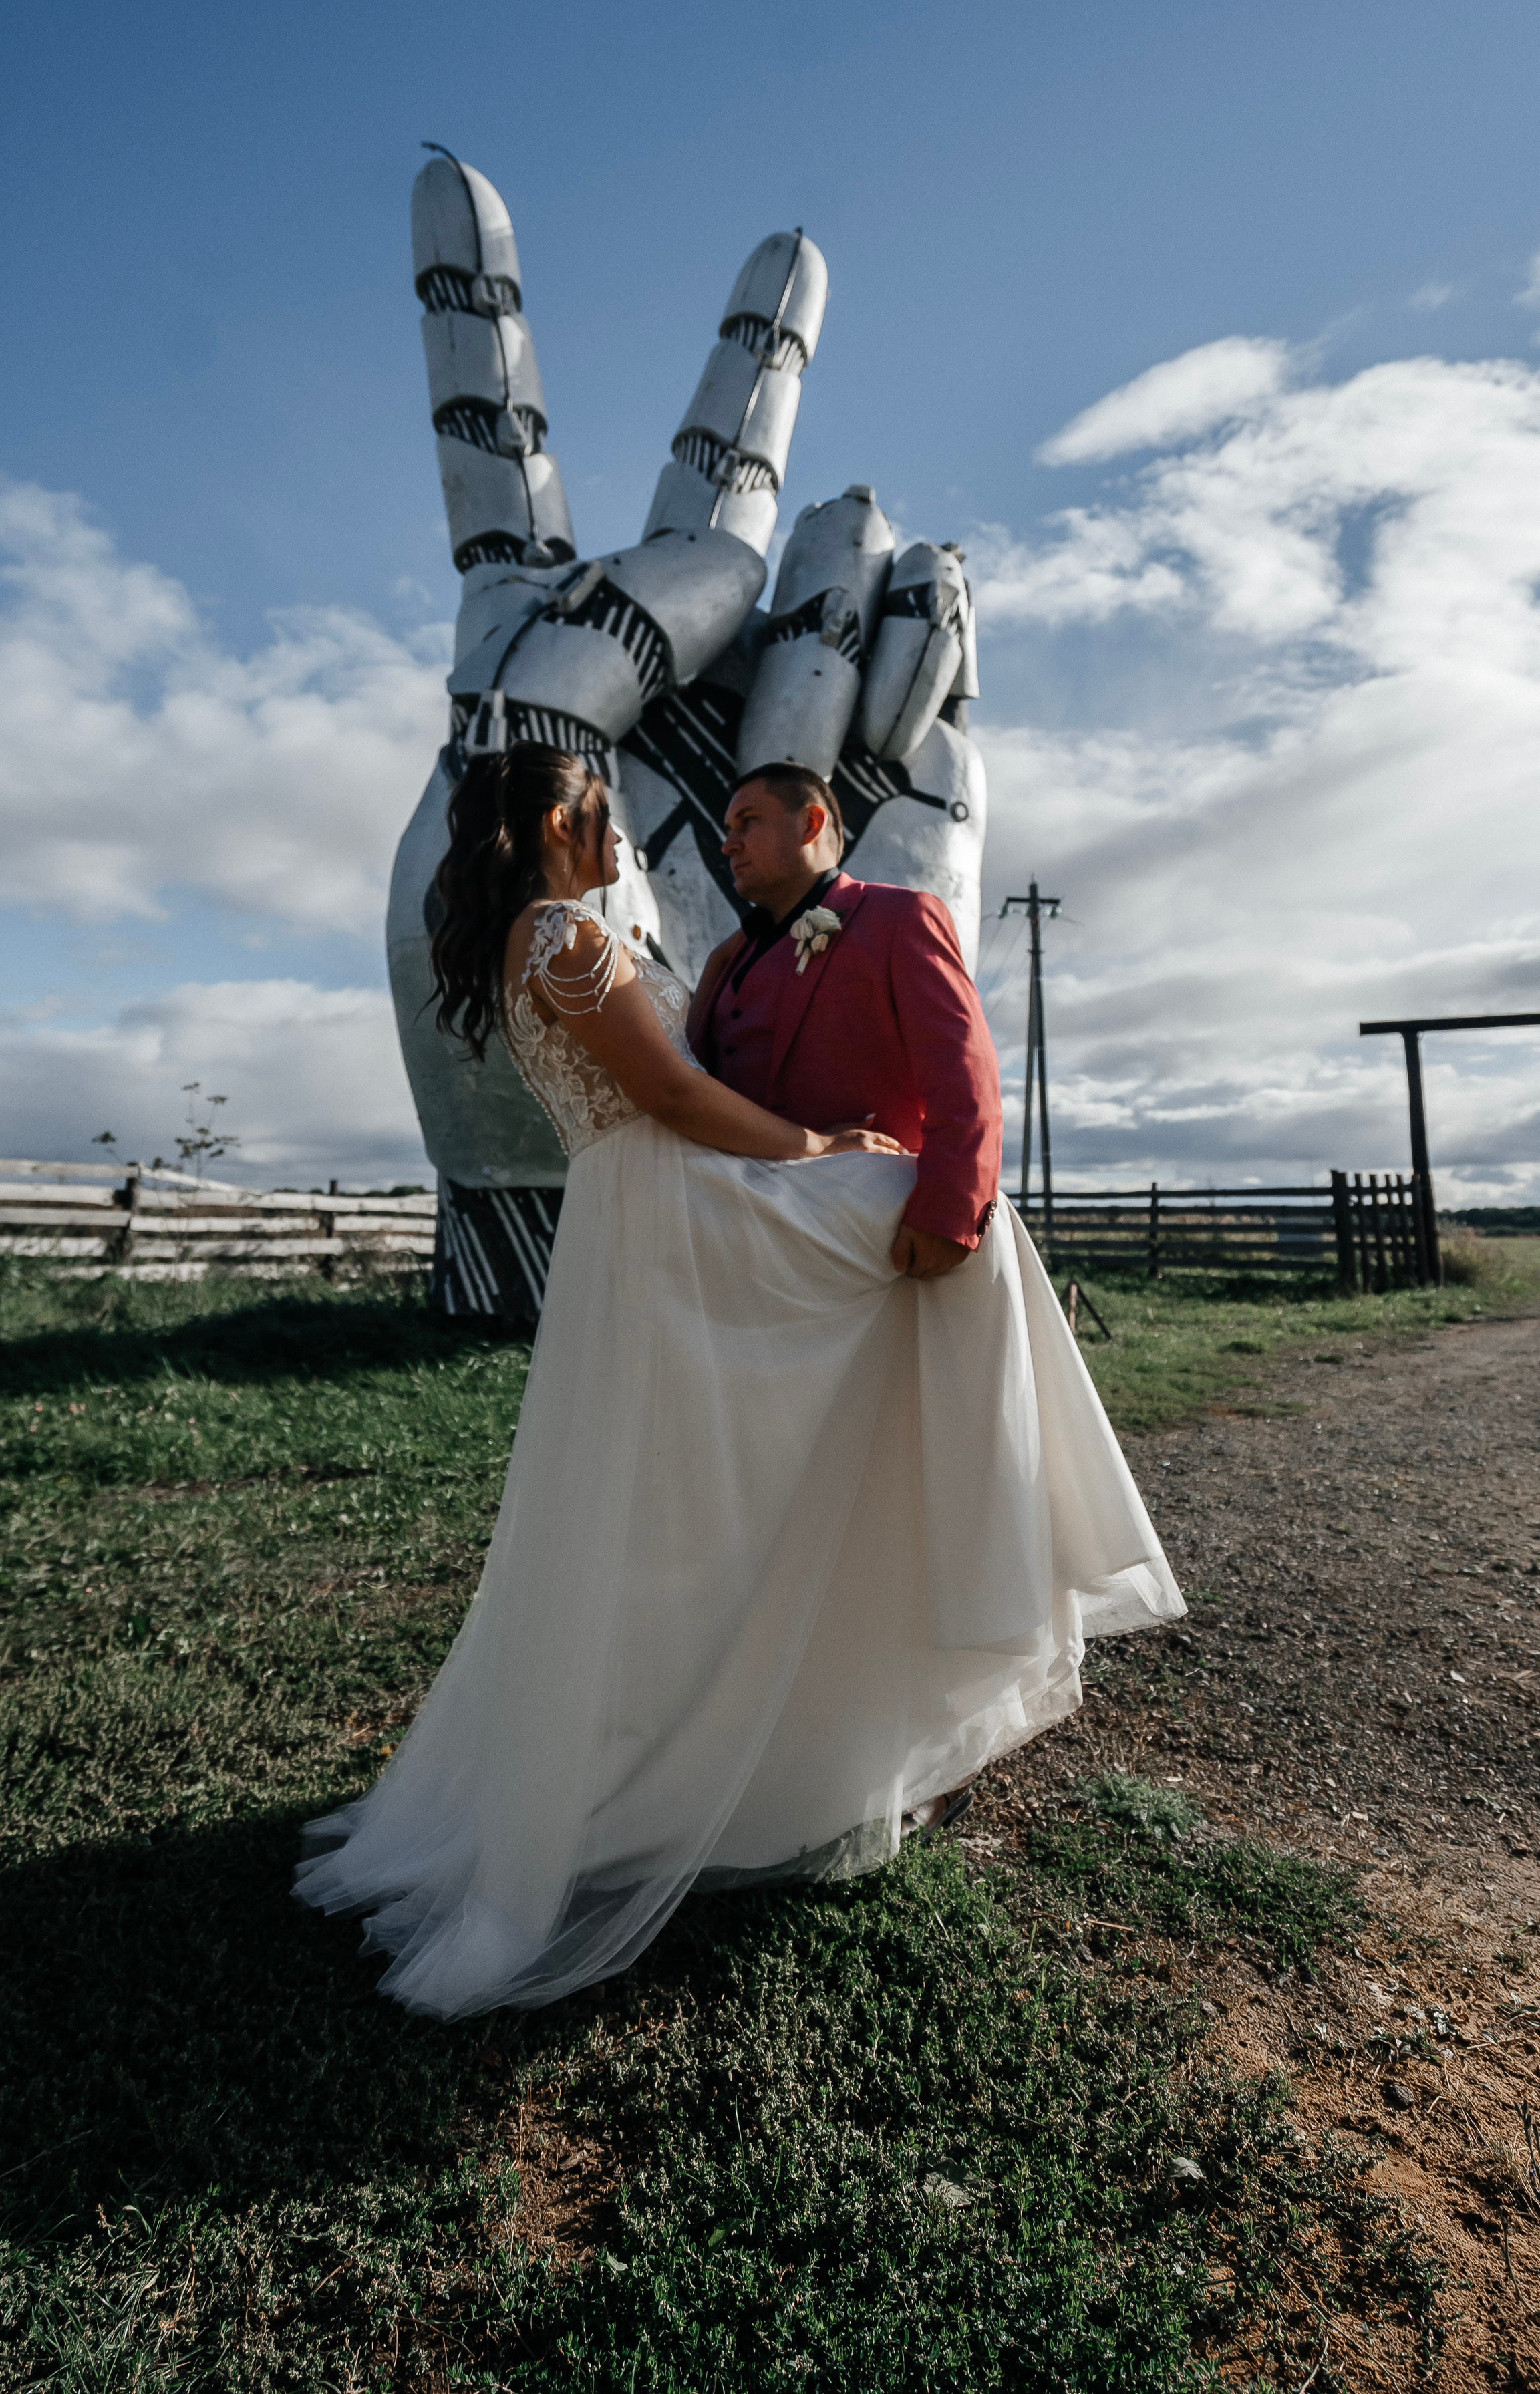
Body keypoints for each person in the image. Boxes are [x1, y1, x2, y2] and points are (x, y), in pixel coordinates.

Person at [293, 744, 1183, 2018]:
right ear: (557, 819)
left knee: (730, 1445)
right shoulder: (586, 944)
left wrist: (945, 1192)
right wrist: (828, 1149)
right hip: (680, 1207)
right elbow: (675, 1089)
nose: (698, 841)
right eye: (610, 814)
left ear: (819, 822)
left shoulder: (832, 925)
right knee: (738, 1427)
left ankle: (948, 1560)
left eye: (748, 821)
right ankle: (1005, 1534)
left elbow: (943, 1078)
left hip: (654, 1219)